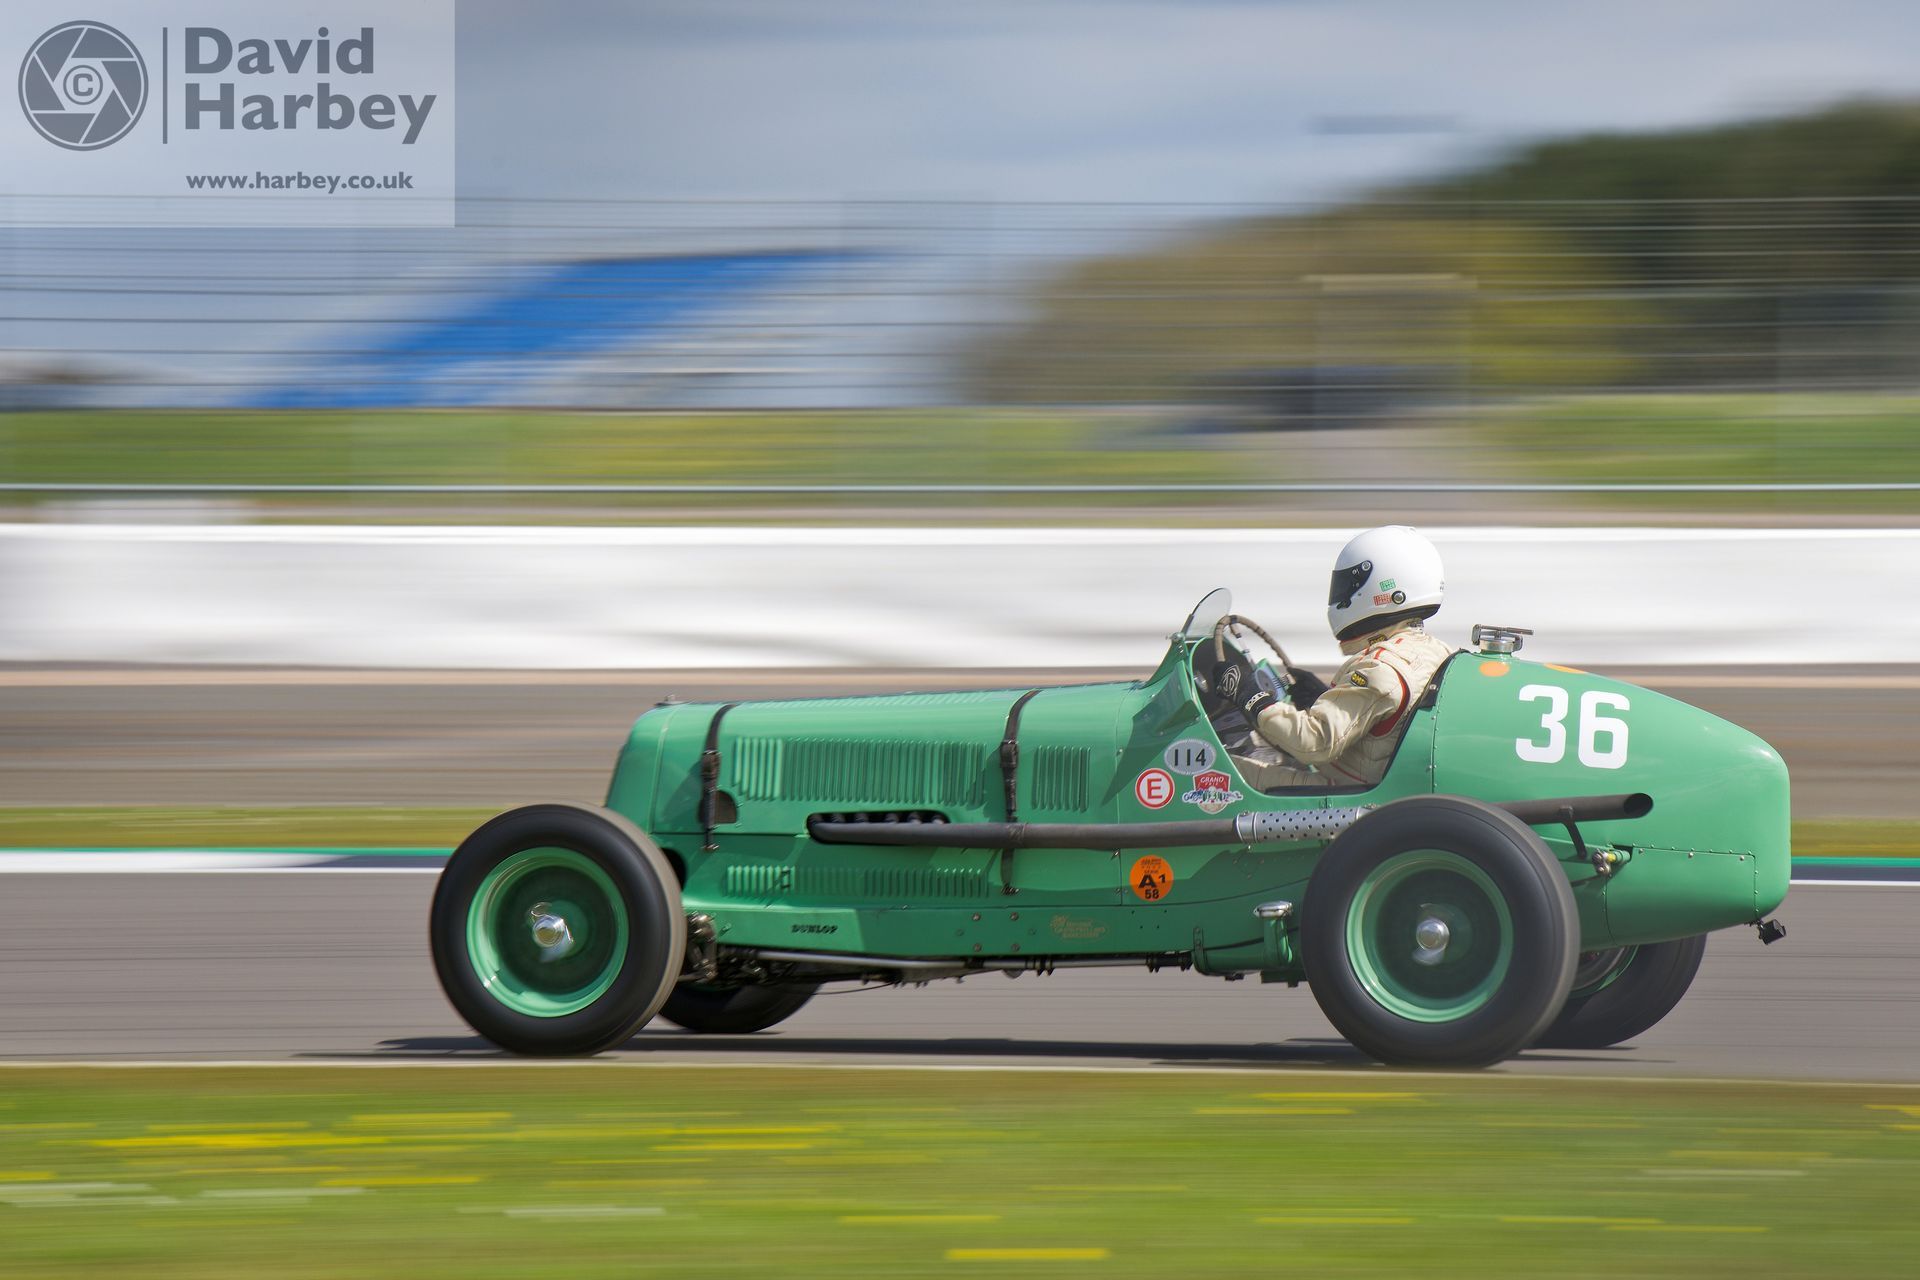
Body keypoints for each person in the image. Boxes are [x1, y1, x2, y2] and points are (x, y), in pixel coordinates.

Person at [1207, 525, 1454, 790]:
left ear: (1385, 591)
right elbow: (1377, 718)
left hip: (1345, 792)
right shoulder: (1436, 649)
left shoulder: (1381, 667)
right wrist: (1320, 696)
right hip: (1367, 775)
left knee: (1208, 771)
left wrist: (1250, 696)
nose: (1341, 594)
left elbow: (1314, 744)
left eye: (1350, 584)